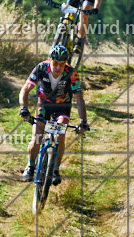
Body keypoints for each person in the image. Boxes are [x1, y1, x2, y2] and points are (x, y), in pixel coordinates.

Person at [19, 44, 90, 185]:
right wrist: (24, 108)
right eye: (55, 63)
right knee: (37, 138)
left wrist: (83, 120)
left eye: (62, 64)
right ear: (49, 60)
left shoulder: (72, 73)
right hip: (44, 105)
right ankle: (30, 166)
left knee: (60, 134)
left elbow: (78, 98)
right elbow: (25, 89)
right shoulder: (41, 68)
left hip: (62, 107)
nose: (58, 68)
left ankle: (55, 169)